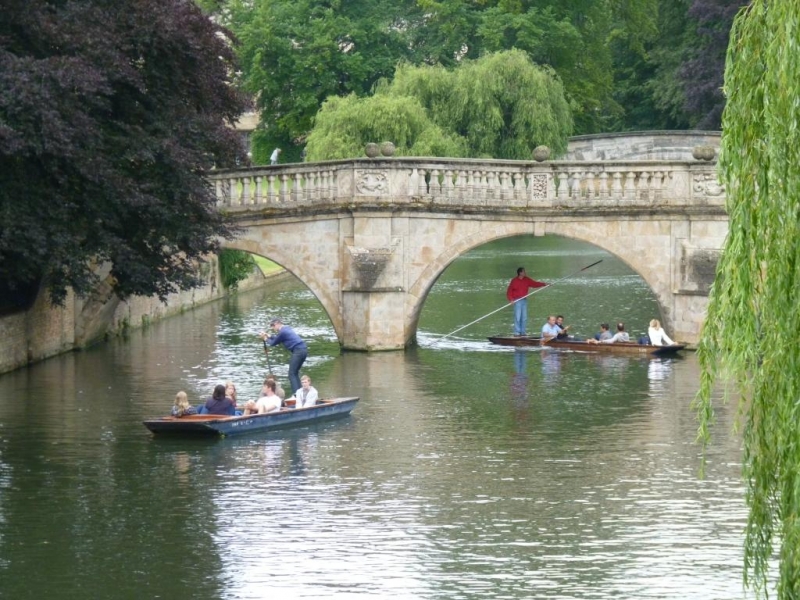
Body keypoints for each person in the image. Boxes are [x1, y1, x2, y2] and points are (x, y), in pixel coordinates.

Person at [261, 317, 308, 395]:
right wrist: (268, 336)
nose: (272, 328)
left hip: (298, 351)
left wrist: (265, 339)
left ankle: (296, 395)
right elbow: (277, 339)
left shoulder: (282, 332)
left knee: (291, 374)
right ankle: (300, 393)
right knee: (295, 372)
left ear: (277, 324)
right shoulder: (286, 328)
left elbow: (273, 343)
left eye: (273, 325)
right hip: (303, 350)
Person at [506, 267, 547, 336]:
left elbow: (534, 284)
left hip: (524, 300)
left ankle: (523, 332)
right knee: (517, 317)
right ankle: (517, 332)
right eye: (524, 272)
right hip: (517, 300)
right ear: (520, 273)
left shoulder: (527, 279)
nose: (525, 273)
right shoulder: (514, 281)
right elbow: (509, 291)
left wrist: (544, 284)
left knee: (524, 317)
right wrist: (511, 300)